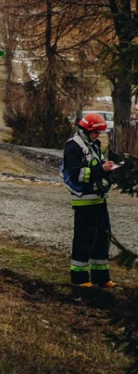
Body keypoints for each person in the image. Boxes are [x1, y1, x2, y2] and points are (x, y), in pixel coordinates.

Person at [61, 113, 117, 288]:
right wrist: (101, 169)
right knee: (84, 239)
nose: (97, 135)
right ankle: (79, 278)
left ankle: (101, 277)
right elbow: (77, 175)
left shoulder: (94, 145)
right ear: (86, 130)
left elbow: (96, 166)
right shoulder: (73, 147)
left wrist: (107, 168)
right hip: (84, 202)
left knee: (102, 238)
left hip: (99, 199)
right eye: (95, 132)